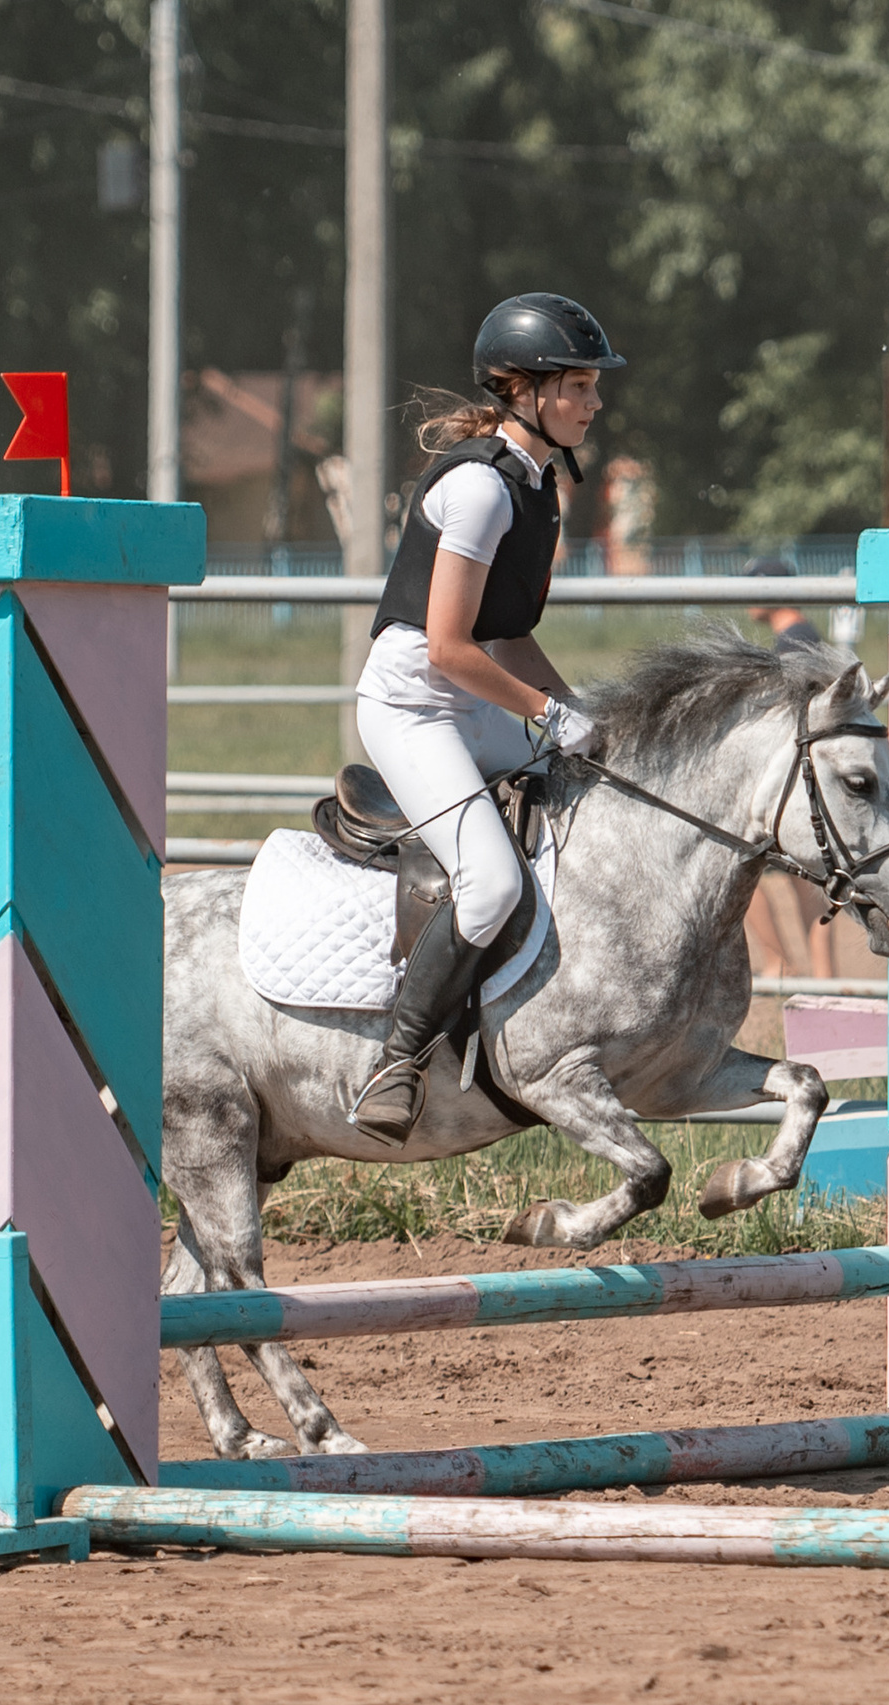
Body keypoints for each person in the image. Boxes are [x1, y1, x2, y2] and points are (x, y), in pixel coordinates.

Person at [346, 292, 624, 1144]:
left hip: (468, 699)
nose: (593, 402)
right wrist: (546, 717)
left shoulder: (538, 484)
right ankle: (393, 1062)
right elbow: (449, 649)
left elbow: (509, 636)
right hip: (413, 707)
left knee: (590, 792)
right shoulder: (479, 489)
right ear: (525, 391)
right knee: (495, 881)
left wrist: (582, 718)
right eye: (577, 386)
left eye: (591, 386)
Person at [741, 557, 836, 981]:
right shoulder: (800, 637)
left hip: (797, 784)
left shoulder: (794, 642)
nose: (743, 598)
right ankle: (821, 974)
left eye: (750, 587)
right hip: (805, 781)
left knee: (741, 862)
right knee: (808, 880)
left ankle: (784, 967)